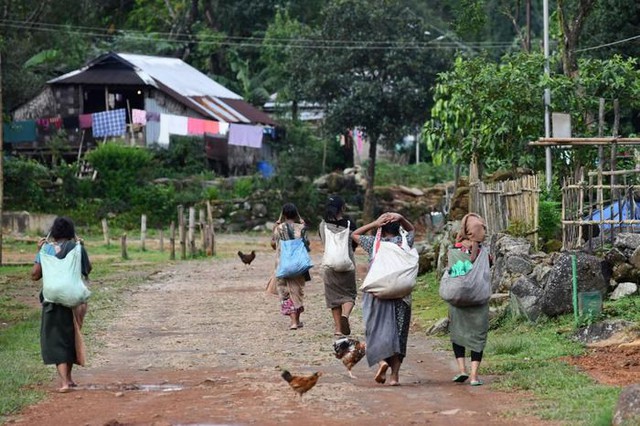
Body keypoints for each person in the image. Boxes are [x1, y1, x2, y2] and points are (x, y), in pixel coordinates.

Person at [352, 212, 415, 386]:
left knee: (375, 330)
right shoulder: (404, 242)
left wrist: (374, 223)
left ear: (381, 228)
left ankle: (382, 362)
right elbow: (412, 230)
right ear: (398, 227)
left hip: (377, 295)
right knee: (399, 335)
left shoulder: (374, 243)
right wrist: (402, 217)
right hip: (401, 296)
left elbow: (354, 234)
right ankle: (394, 377)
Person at [31, 216, 92, 393]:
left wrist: (39, 251)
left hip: (53, 300)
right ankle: (70, 380)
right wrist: (82, 248)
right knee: (71, 337)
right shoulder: (77, 248)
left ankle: (65, 382)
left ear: (54, 232)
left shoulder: (46, 249)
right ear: (71, 232)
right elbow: (87, 269)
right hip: (75, 301)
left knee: (56, 340)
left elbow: (35, 275)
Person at [449, 213, 490, 386]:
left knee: (458, 334)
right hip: (478, 300)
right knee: (478, 335)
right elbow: (487, 270)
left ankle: (462, 370)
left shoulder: (455, 249)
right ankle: (474, 376)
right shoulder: (484, 253)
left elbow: (452, 272)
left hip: (458, 299)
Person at [318, 195, 357, 336]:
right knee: (349, 295)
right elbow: (354, 244)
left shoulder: (322, 225)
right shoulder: (350, 224)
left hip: (329, 265)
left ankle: (338, 329)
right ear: (343, 208)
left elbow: (324, 242)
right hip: (347, 264)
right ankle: (345, 315)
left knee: (333, 298)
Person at [271, 203, 310, 330]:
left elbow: (273, 244)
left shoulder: (279, 228)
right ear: (295, 214)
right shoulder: (301, 228)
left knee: (286, 292)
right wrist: (304, 226)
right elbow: (307, 244)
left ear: (284, 215)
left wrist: (274, 228)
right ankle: (297, 320)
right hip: (299, 265)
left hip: (283, 265)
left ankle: (293, 322)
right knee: (297, 291)